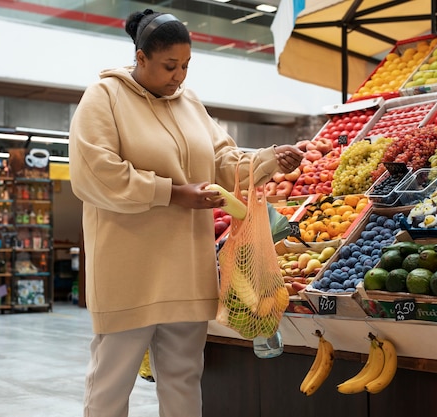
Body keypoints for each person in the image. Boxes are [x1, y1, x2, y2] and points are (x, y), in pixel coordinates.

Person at [68, 8, 304, 417]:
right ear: (140, 58)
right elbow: (95, 173)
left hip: (186, 269)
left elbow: (223, 160)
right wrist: (173, 193)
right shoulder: (103, 97)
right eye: (169, 66)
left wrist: (268, 160)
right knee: (111, 384)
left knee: (183, 378)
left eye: (186, 66)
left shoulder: (190, 103)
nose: (179, 76)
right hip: (128, 272)